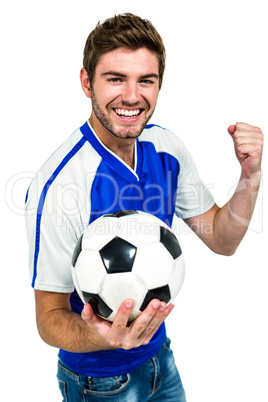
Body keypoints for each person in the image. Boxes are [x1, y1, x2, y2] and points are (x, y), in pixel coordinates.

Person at [25, 13, 263, 402]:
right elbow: (48, 317)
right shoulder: (61, 185)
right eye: (116, 79)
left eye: (145, 81)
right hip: (98, 384)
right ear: (87, 82)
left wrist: (251, 175)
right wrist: (101, 335)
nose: (132, 96)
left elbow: (222, 239)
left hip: (159, 361)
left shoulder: (167, 148)